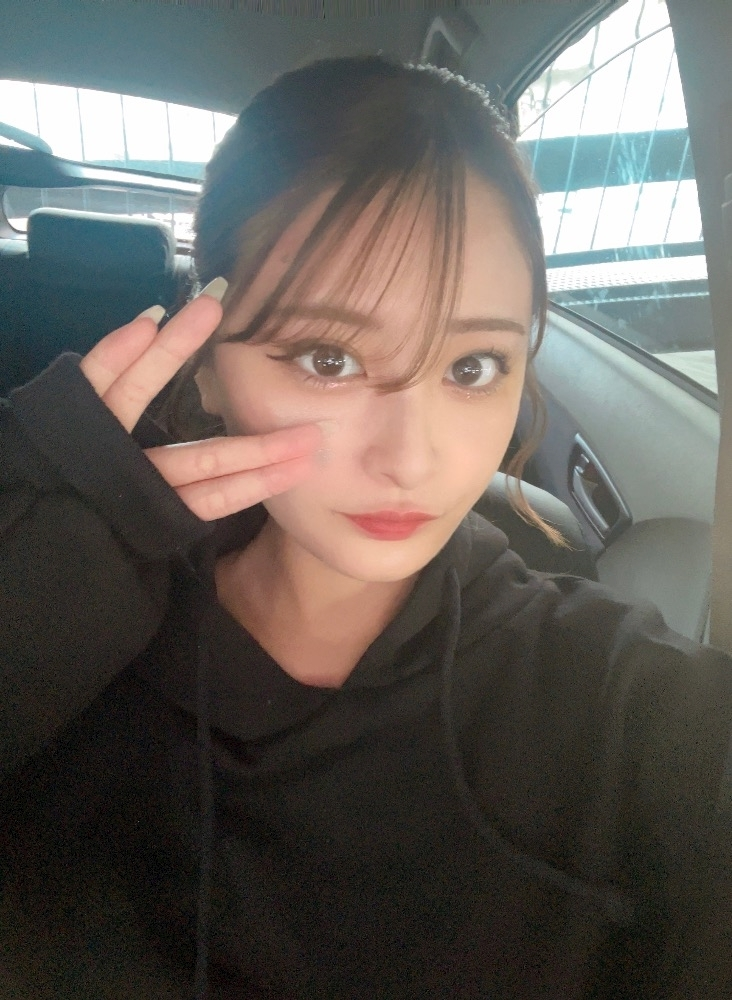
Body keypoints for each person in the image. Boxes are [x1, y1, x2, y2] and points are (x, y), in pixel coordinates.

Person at [1, 56, 731, 999]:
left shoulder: (622, 707)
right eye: (327, 358)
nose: (412, 459)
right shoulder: (54, 635)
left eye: (472, 367)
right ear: (207, 364)